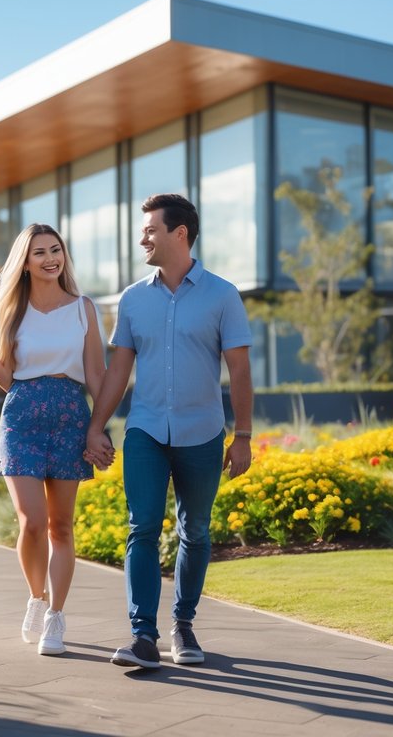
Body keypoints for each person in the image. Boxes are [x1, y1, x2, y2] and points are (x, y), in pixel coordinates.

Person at [84, 193, 253, 669]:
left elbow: (239, 369)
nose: (143, 238)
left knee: (195, 531)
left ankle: (183, 625)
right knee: (140, 528)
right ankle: (142, 635)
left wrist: (243, 436)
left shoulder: (222, 294)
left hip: (202, 433)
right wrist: (97, 426)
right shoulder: (133, 299)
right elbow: (119, 371)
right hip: (146, 431)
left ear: (179, 233)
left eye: (150, 230)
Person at [0, 223, 110, 657]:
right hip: (22, 414)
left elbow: (97, 375)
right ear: (25, 262)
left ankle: (56, 616)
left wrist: (99, 427)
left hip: (71, 412)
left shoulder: (83, 308)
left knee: (61, 526)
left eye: (56, 250)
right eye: (40, 253)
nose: (51, 258)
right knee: (31, 521)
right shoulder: (9, 308)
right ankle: (36, 597)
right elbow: (6, 378)